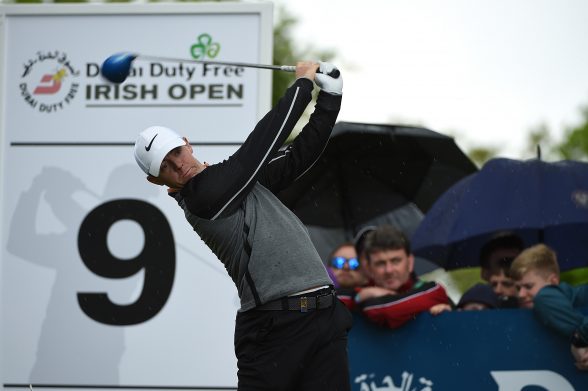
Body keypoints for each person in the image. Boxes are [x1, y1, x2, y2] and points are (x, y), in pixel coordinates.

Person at [133, 62, 353, 390]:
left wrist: (331, 97)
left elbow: (300, 155)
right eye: (165, 166)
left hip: (323, 317)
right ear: (156, 181)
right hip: (274, 329)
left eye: (176, 152)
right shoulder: (202, 197)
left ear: (187, 143)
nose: (178, 164)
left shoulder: (239, 181)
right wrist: (304, 85)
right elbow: (262, 142)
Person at [352, 225, 450, 328]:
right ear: (369, 268)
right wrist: (358, 298)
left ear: (410, 262)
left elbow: (378, 310)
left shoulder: (433, 291)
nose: (389, 270)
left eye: (395, 261)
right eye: (380, 263)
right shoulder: (360, 292)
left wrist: (371, 298)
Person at [510, 244, 588, 370]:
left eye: (529, 286)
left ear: (553, 281)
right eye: (518, 288)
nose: (521, 295)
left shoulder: (544, 297)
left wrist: (579, 338)